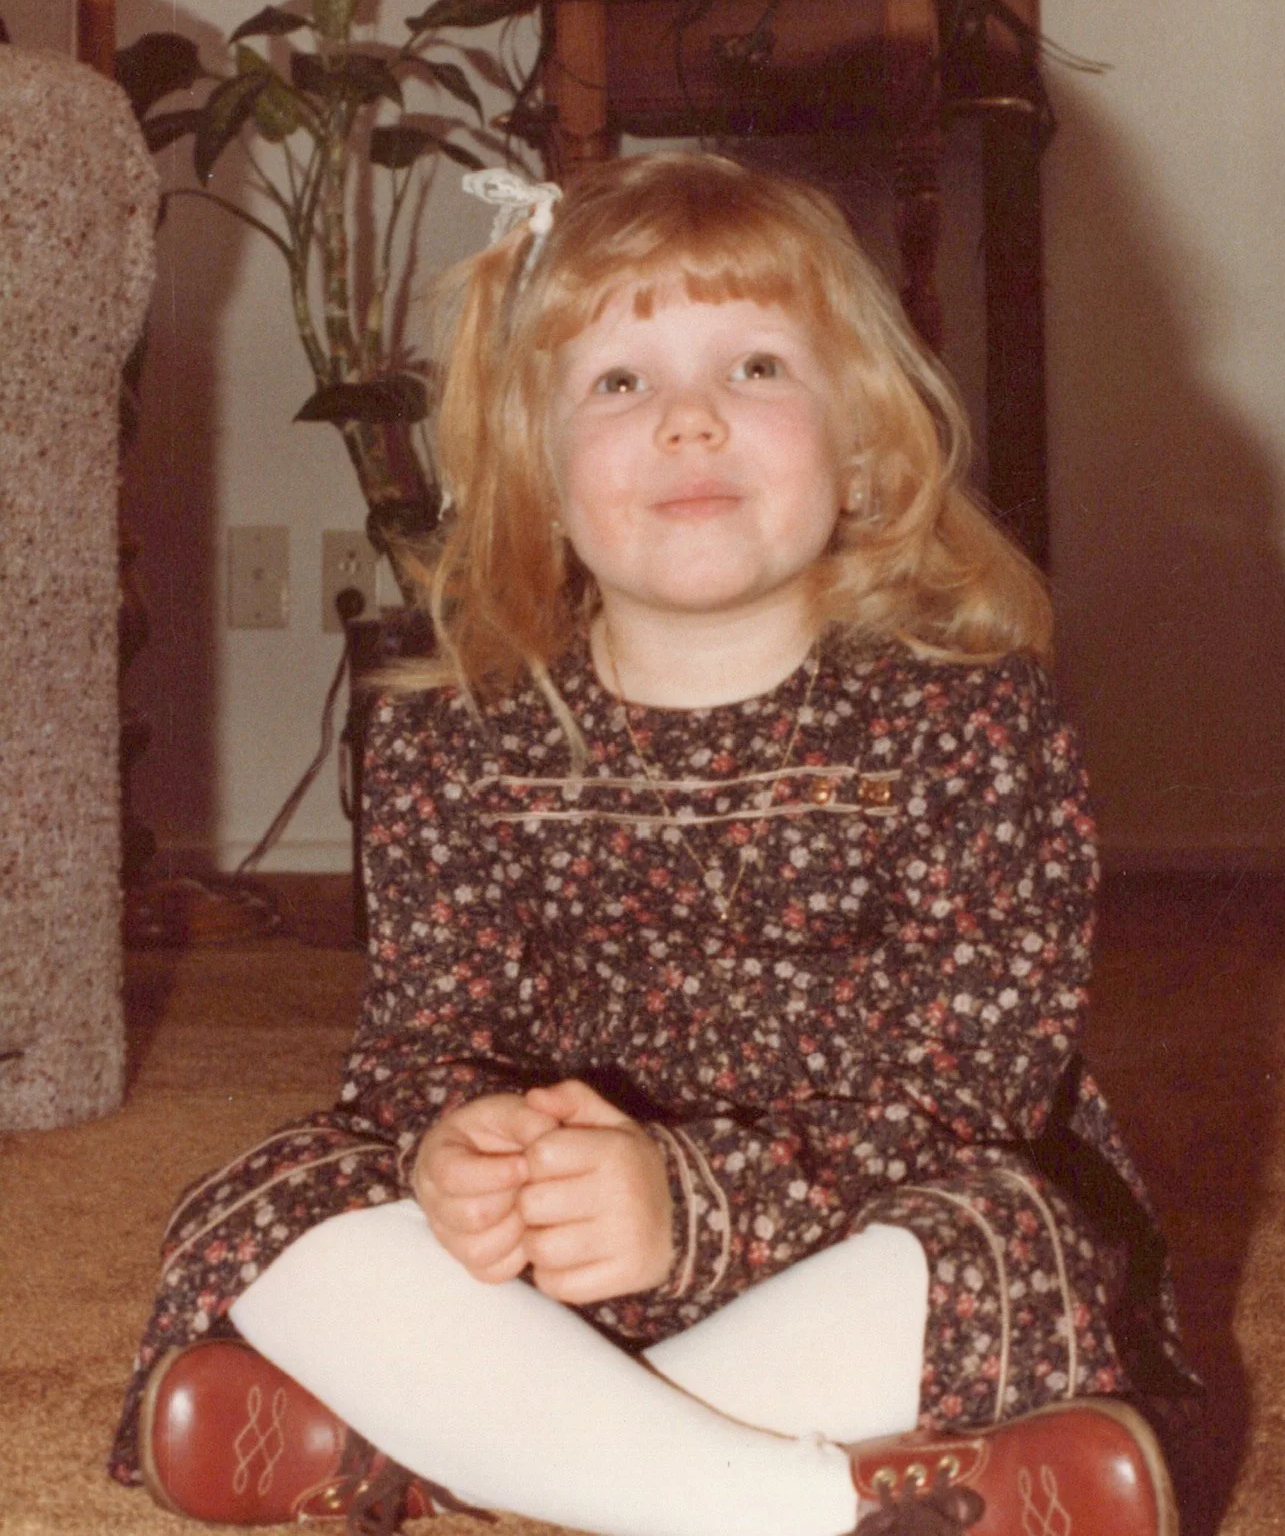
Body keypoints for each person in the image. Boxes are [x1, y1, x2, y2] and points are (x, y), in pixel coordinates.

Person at [109, 151, 1202, 1536]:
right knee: (275, 1202)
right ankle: (803, 1506)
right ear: (539, 472)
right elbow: (417, 1046)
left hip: (845, 1229)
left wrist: (694, 1206)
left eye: (753, 368)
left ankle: (447, 1447)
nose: (689, 422)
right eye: (620, 385)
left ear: (863, 443)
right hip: (546, 1262)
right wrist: (461, 1151)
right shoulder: (453, 741)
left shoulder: (970, 716)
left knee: (1012, 1231)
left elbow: (973, 1087)